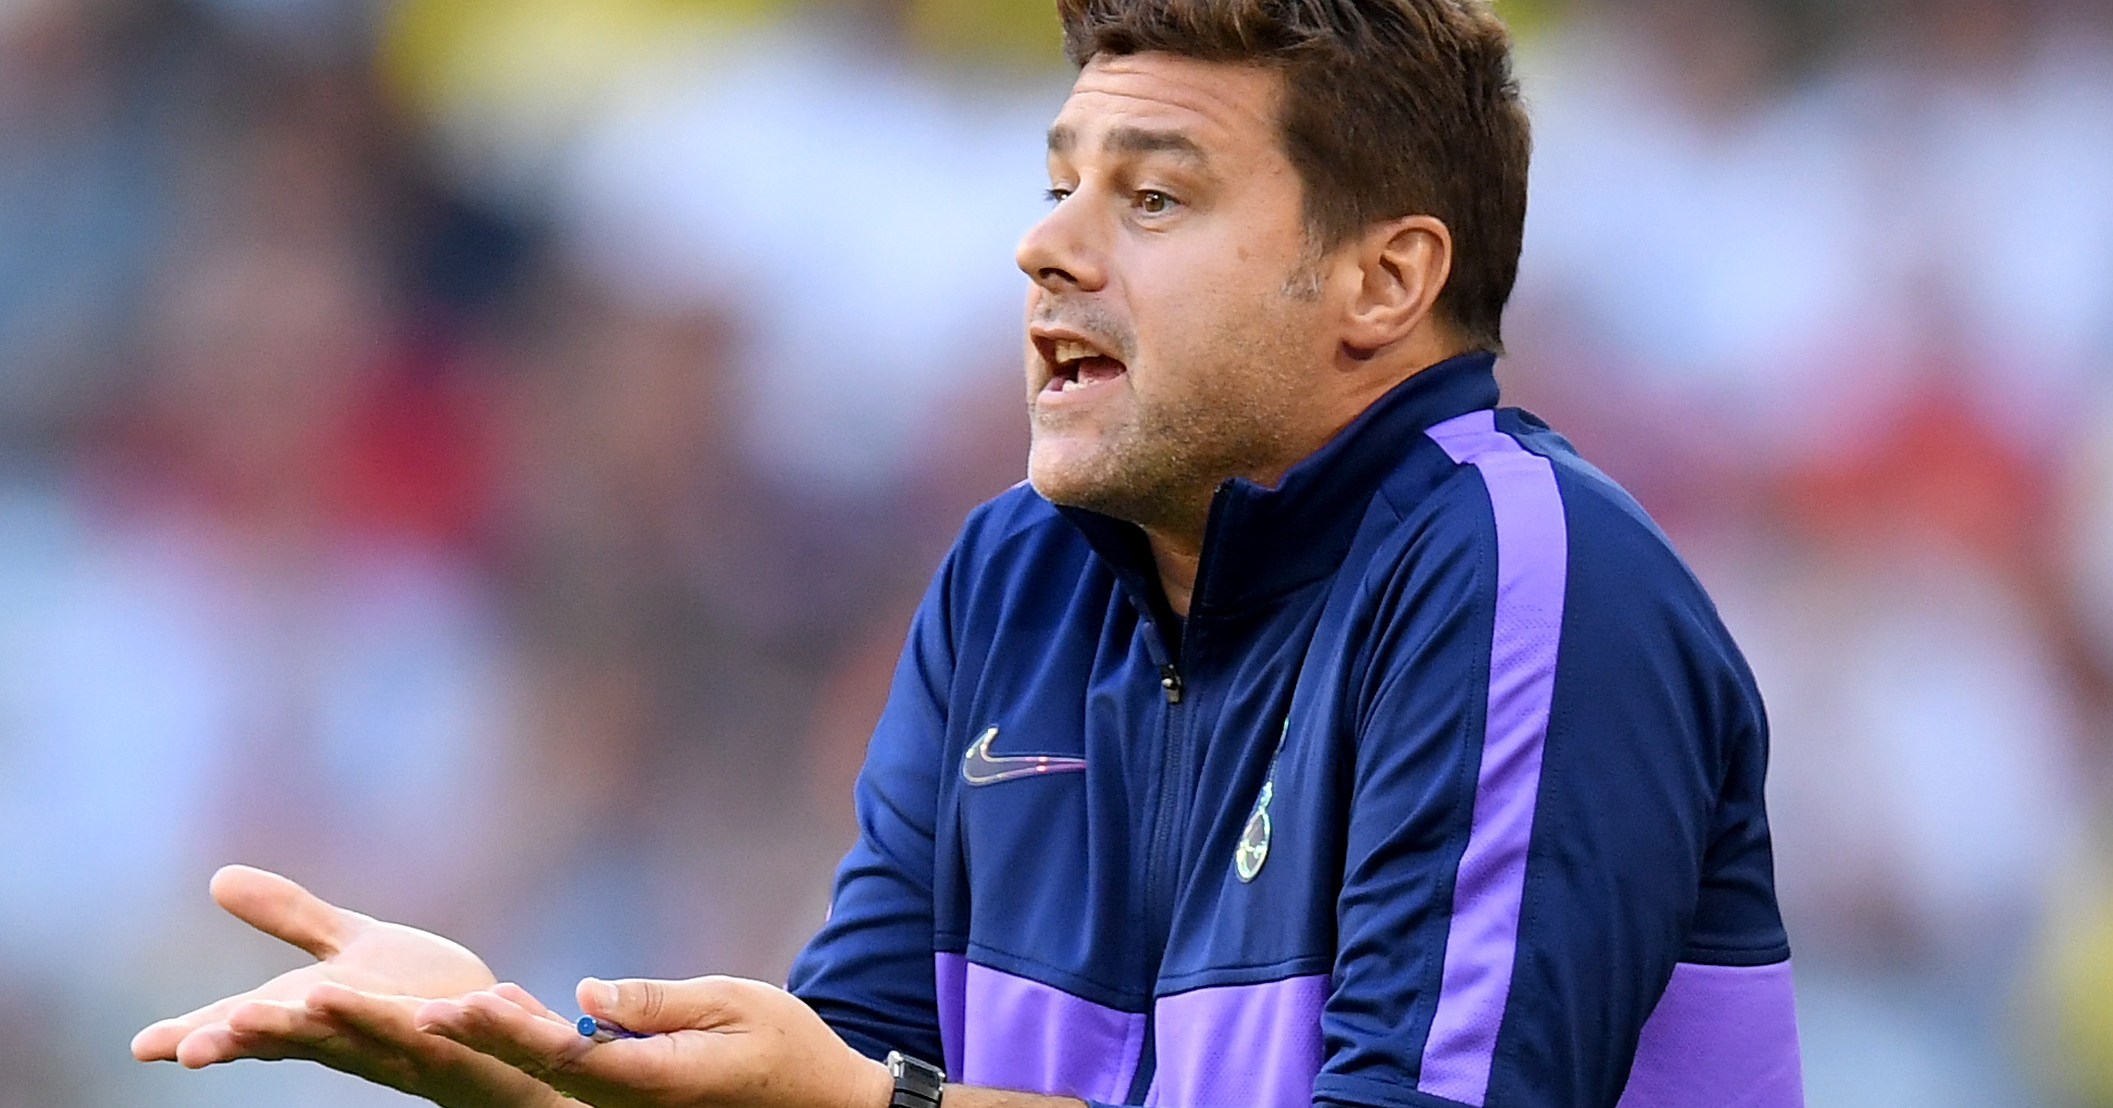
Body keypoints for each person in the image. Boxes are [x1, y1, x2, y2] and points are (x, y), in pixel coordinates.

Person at [131, 2, 1805, 1106]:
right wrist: (511, 1061)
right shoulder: (1012, 576)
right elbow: (839, 1072)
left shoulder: (1518, 566)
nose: (1042, 243)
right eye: (1058, 179)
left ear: (1381, 282)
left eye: (1151, 199)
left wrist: (873, 1104)